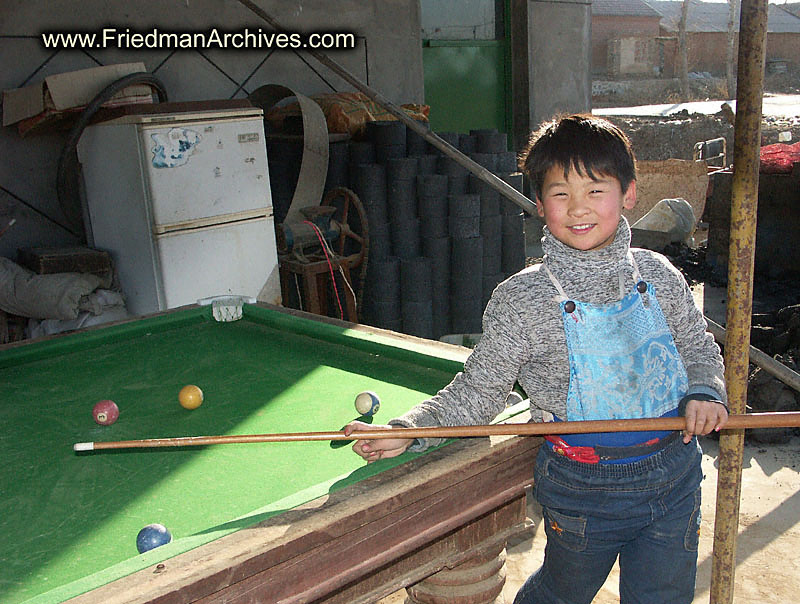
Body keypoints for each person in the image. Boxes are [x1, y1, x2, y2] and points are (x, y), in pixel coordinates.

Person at [346, 113, 728, 603]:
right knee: (561, 595)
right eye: (560, 193)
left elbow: (699, 351)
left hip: (674, 481)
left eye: (596, 190)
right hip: (582, 491)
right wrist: (409, 431)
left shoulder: (660, 275)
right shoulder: (522, 300)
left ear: (628, 194)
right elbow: (477, 393)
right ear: (539, 202)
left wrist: (704, 391)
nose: (577, 208)